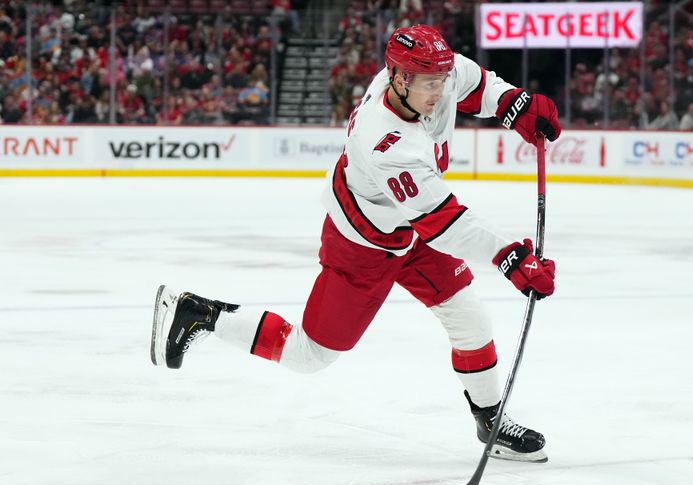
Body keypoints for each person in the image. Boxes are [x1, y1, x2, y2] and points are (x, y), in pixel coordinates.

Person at [151, 25, 560, 462]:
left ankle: (490, 420)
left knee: (471, 321)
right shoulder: (384, 140)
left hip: (412, 228)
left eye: (442, 81)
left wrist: (514, 103)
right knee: (308, 356)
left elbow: (476, 85)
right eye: (430, 84)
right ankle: (199, 314)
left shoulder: (432, 74)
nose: (440, 93)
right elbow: (444, 221)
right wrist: (509, 256)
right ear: (399, 79)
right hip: (364, 244)